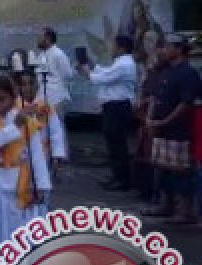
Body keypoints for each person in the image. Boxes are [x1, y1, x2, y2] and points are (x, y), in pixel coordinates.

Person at [0, 76, 51, 258]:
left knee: (15, 220)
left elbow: (36, 154)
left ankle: (15, 258)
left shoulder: (26, 122)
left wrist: (41, 184)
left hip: (17, 178)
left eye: (1, 100)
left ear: (12, 99)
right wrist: (14, 127)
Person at [143, 34, 202, 225]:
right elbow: (154, 97)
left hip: (178, 130)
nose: (164, 50)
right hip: (161, 128)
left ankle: (185, 211)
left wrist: (165, 121)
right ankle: (165, 205)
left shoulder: (188, 73)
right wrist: (151, 119)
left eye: (168, 46)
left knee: (181, 170)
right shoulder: (166, 71)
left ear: (179, 49)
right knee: (162, 168)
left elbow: (186, 104)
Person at [78, 35, 139, 192]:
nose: (111, 48)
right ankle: (118, 176)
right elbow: (106, 72)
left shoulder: (124, 64)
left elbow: (103, 78)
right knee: (114, 143)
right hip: (114, 107)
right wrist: (92, 66)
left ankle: (122, 179)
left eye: (113, 45)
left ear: (121, 48)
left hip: (118, 107)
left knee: (117, 144)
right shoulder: (121, 63)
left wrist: (87, 73)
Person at [134, 40, 171, 203]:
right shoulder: (150, 73)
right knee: (144, 155)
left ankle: (157, 194)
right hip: (144, 120)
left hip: (155, 120)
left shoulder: (163, 74)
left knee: (156, 159)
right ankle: (146, 190)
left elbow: (155, 97)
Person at [15, 70, 69, 179]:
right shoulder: (14, 106)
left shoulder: (45, 106)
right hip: (21, 154)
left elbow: (56, 131)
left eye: (31, 83)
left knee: (42, 183)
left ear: (37, 84)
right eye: (24, 84)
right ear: (18, 87)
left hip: (43, 153)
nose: (28, 88)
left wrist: (57, 154)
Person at [35, 27, 75, 119]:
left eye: (40, 37)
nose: (37, 39)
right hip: (42, 97)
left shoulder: (58, 54)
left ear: (48, 38)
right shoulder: (41, 55)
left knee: (57, 127)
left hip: (56, 99)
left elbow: (68, 74)